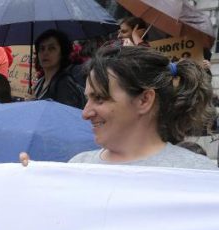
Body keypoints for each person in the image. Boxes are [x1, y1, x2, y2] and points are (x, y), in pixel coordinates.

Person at [68, 46, 216, 170]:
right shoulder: (77, 167)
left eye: (99, 98)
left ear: (144, 100)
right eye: (88, 99)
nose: (85, 113)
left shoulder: (197, 173)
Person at [33, 29, 86, 109]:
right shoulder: (40, 82)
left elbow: (66, 114)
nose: (45, 53)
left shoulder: (65, 84)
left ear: (62, 53)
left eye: (51, 48)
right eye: (42, 48)